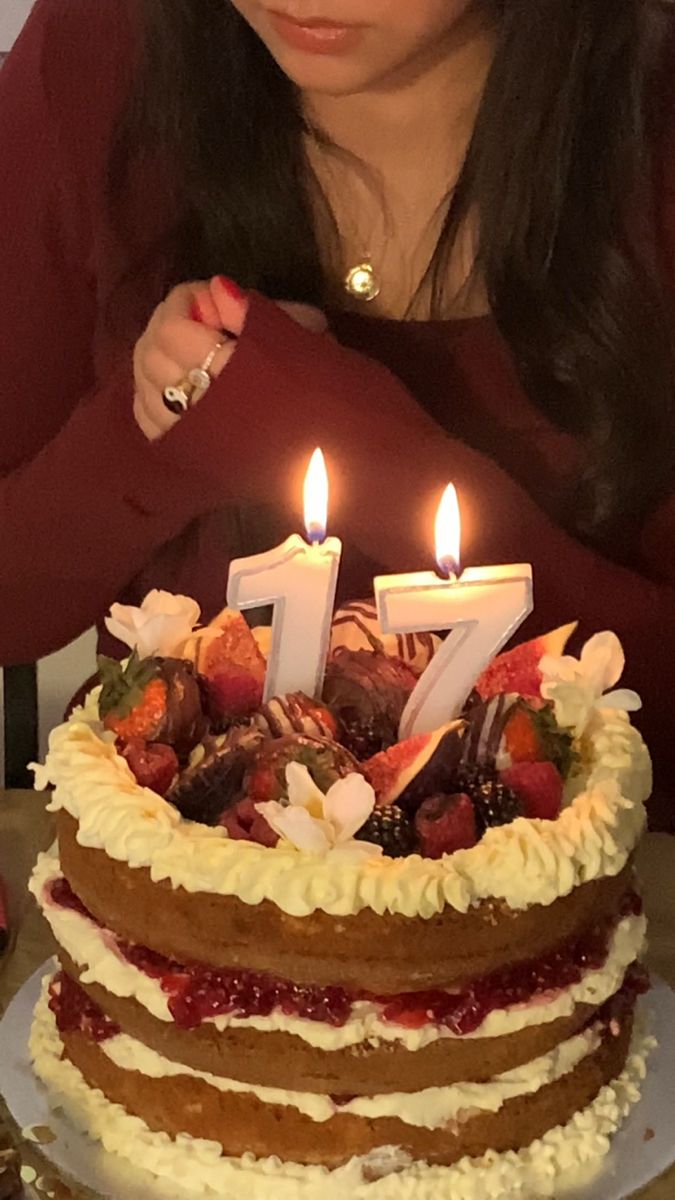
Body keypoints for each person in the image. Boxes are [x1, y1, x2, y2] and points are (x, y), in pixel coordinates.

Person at [0, 0, 673, 822]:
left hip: (571, 917)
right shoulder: (100, 50)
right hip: (157, 907)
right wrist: (158, 430)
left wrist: (349, 441)